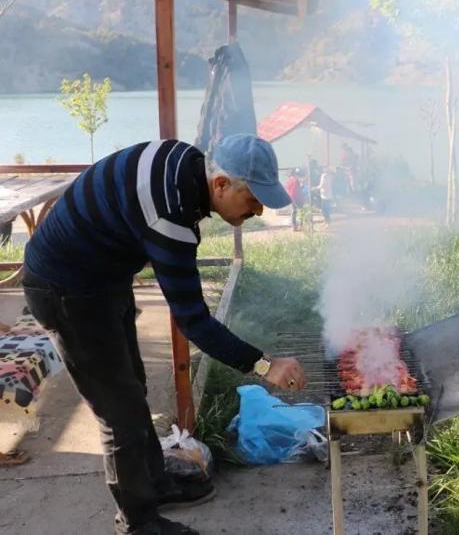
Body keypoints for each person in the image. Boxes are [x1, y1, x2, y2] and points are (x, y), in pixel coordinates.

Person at [21, 134, 307, 535]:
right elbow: (194, 322)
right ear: (220, 184)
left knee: (132, 386)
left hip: (102, 277)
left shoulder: (187, 165)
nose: (259, 210)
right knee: (118, 412)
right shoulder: (171, 215)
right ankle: (138, 523)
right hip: (64, 288)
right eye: (254, 199)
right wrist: (264, 365)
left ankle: (155, 481)